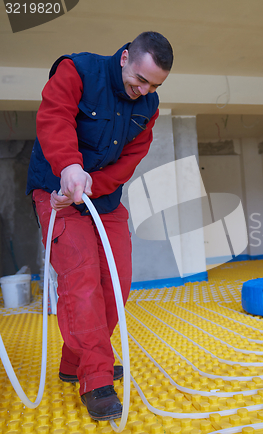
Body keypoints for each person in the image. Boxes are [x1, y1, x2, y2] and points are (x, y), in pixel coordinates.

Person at [26, 31, 173, 421]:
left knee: (117, 281)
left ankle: (75, 362)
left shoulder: (149, 105)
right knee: (82, 281)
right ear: (125, 57)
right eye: (140, 79)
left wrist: (92, 186)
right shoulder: (78, 70)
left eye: (155, 85)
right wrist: (69, 170)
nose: (144, 91)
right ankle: (95, 377)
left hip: (102, 198)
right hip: (55, 188)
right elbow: (54, 116)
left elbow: (130, 158)